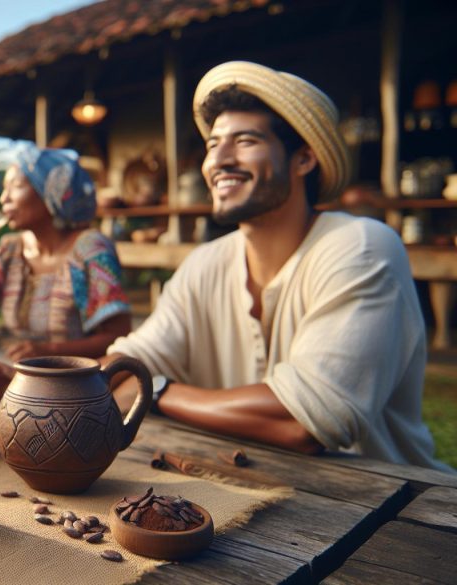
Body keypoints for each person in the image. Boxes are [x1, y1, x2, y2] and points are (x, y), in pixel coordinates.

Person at [105, 61, 449, 471]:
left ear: (304, 159)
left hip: (391, 507)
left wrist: (156, 390)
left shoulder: (360, 247)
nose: (220, 160)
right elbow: (127, 362)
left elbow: (304, 422)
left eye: (245, 141)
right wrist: (43, 388)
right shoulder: (205, 264)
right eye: (214, 145)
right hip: (248, 489)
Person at [0, 146, 133, 413]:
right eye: (4, 188)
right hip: (26, 386)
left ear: (50, 192)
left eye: (15, 186)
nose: (3, 198)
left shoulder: (90, 251)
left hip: (84, 394)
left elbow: (119, 337)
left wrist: (48, 350)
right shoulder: (9, 253)